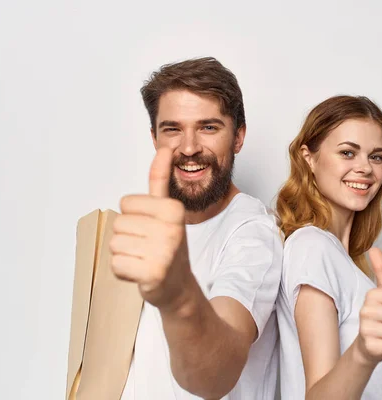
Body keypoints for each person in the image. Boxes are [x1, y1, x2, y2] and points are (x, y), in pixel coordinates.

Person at [109, 57, 282, 399]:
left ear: (238, 137)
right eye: (172, 129)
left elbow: (214, 377)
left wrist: (178, 296)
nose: (189, 148)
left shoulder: (254, 233)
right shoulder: (141, 232)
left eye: (208, 127)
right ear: (154, 138)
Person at [275, 95, 382, 399]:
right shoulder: (313, 248)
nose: (365, 168)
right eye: (348, 152)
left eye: (376, 157)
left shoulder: (338, 258)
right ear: (308, 158)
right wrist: (364, 351)